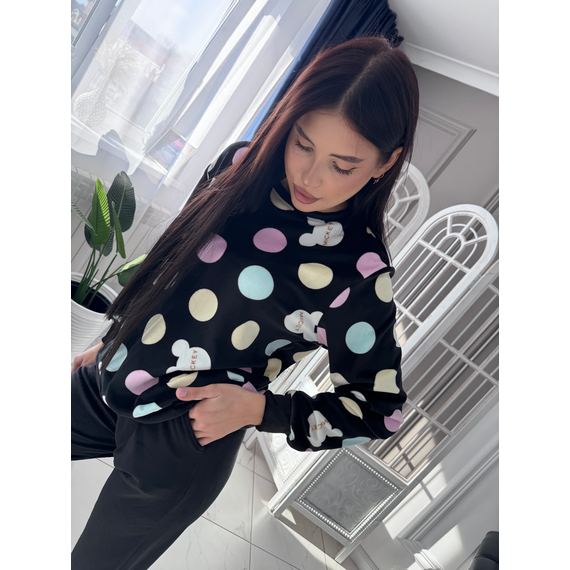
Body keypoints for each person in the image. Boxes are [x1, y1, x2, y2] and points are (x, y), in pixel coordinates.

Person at [71, 35, 419, 570]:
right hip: (114, 376)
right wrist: (113, 339)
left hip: (185, 436)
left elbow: (381, 411)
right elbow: (173, 265)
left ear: (384, 162)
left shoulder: (359, 274)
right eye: (303, 144)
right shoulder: (239, 165)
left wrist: (261, 409)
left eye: (342, 165)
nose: (310, 176)